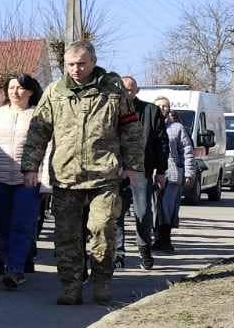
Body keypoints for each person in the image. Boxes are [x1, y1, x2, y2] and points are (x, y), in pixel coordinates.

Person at [19, 40, 142, 306]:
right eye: (70, 64)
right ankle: (71, 285)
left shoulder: (112, 90)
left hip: (104, 175)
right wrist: (30, 166)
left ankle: (102, 280)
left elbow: (131, 129)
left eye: (81, 64)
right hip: (66, 176)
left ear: (93, 62)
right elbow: (38, 131)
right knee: (66, 235)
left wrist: (133, 165)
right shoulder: (55, 92)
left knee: (102, 229)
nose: (76, 69)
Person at [0, 73, 44, 289]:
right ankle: (6, 259)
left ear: (30, 91)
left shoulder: (38, 116)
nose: (15, 91)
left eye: (20, 88)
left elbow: (48, 148)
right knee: (3, 225)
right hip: (0, 180)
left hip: (28, 181)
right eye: (11, 87)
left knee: (22, 225)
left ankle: (15, 270)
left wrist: (46, 181)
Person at [120, 75, 168, 269]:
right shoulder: (111, 111)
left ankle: (144, 249)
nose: (126, 93)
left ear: (137, 91)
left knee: (143, 213)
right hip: (117, 171)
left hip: (142, 171)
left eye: (130, 89)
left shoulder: (151, 111)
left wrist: (161, 170)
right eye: (123, 90)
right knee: (116, 213)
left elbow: (161, 142)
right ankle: (118, 253)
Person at [155, 96, 194, 253]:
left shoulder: (177, 128)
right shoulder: (147, 125)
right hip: (152, 173)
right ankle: (156, 238)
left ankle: (165, 240)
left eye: (166, 106)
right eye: (160, 106)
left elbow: (187, 151)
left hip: (172, 174)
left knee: (168, 207)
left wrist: (189, 172)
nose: (163, 109)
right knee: (153, 208)